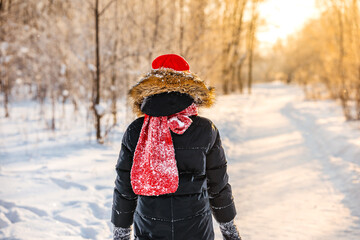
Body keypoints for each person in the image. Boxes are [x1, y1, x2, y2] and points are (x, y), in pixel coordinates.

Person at [111, 54, 242, 240]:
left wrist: (121, 231)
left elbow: (124, 186)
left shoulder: (136, 130)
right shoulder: (205, 129)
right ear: (189, 85)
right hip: (196, 228)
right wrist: (228, 227)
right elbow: (218, 185)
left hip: (149, 226)